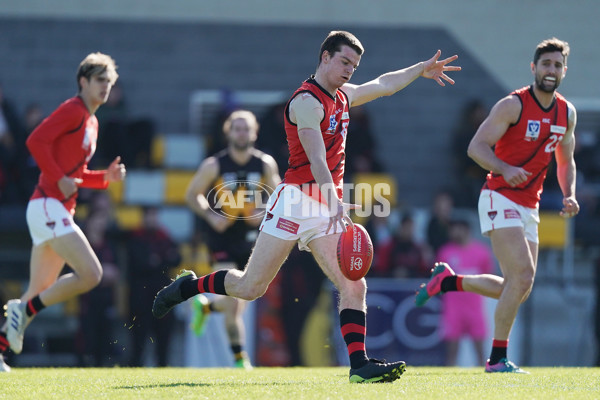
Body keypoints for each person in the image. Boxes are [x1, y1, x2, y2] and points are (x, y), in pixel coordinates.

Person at [153, 30, 460, 382]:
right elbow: (316, 159)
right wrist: (334, 200)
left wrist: (421, 68)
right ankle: (189, 287)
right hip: (295, 202)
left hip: (322, 204)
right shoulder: (305, 101)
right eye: (344, 61)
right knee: (251, 288)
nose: (350, 70)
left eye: (355, 65)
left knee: (354, 284)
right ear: (325, 57)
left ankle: (359, 366)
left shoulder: (342, 96)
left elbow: (384, 84)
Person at [416, 38, 579, 374]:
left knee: (517, 286)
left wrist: (570, 193)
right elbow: (476, 147)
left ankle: (449, 281)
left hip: (529, 205)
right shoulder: (512, 105)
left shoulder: (567, 113)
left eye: (557, 65)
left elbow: (566, 161)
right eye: (546, 64)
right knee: (522, 275)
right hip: (498, 194)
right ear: (534, 68)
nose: (551, 70)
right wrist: (505, 168)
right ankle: (496, 359)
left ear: (565, 71)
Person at [1, 53, 126, 371]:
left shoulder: (92, 121)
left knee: (36, 291)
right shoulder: (73, 109)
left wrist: (104, 179)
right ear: (83, 82)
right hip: (47, 206)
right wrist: (58, 178)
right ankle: (25, 310)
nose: (106, 87)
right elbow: (35, 140)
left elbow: (77, 173)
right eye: (100, 80)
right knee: (92, 274)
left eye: (109, 82)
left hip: (53, 209)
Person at [184, 109, 280, 369]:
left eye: (246, 128)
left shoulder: (265, 164)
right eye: (237, 128)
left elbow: (279, 197)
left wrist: (262, 214)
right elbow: (192, 194)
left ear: (254, 132)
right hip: (222, 240)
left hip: (251, 241)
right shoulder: (214, 164)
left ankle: (205, 308)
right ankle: (240, 360)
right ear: (228, 132)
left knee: (242, 298)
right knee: (233, 301)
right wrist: (210, 215)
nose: (241, 133)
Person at [126, 206, 181, 366]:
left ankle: (162, 369)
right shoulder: (136, 238)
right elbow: (141, 264)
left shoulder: (164, 237)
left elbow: (176, 259)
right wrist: (162, 260)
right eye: (149, 216)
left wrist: (156, 261)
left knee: (163, 338)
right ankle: (135, 369)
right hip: (140, 298)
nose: (152, 219)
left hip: (162, 296)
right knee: (138, 339)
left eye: (154, 215)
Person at [436, 218, 494, 366]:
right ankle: (447, 385)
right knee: (452, 351)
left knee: (480, 351)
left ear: (466, 230)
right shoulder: (445, 252)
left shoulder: (481, 253)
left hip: (474, 308)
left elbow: (488, 276)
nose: (452, 232)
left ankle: (484, 382)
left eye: (456, 228)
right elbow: (438, 279)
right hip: (453, 308)